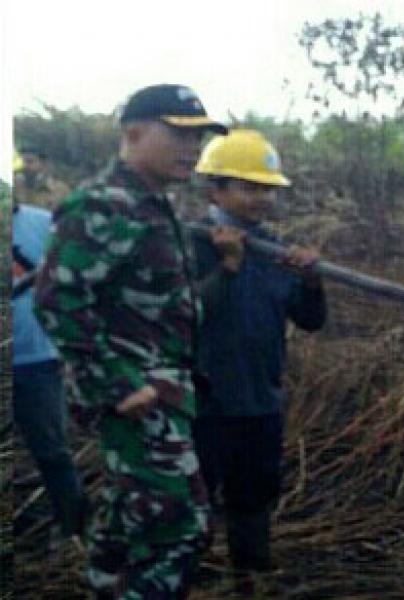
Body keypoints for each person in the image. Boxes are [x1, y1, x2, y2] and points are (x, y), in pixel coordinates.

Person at [34, 83, 228, 599]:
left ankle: (108, 587)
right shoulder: (105, 204)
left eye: (201, 137)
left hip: (160, 391)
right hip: (137, 399)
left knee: (126, 521)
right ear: (134, 132)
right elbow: (57, 300)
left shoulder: (152, 203)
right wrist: (117, 385)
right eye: (180, 134)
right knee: (182, 531)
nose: (194, 148)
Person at [189, 129, 327, 585]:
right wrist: (226, 268)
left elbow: (309, 321)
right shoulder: (186, 244)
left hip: (259, 401)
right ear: (215, 189)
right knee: (191, 506)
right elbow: (180, 316)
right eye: (250, 187)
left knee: (253, 498)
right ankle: (181, 582)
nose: (262, 198)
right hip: (200, 404)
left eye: (268, 188)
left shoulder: (273, 251)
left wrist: (311, 281)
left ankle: (250, 580)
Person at [11, 148, 89, 544]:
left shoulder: (43, 225)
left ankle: (73, 531)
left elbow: (73, 284)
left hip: (37, 361)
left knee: (53, 451)